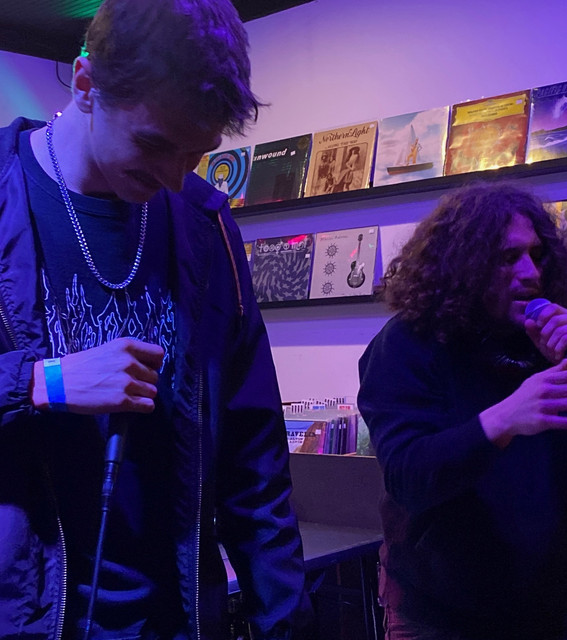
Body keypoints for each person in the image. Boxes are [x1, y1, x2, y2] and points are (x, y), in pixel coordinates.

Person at [0, 1, 310, 638]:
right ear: (85, 83)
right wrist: (42, 382)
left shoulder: (206, 223)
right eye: (154, 144)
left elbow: (254, 464)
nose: (173, 178)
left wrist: (286, 624)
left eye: (196, 153)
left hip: (179, 619)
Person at [358, 182, 567, 640]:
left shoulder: (552, 338)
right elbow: (407, 477)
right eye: (508, 258)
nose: (530, 272)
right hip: (439, 615)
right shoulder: (405, 344)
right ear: (462, 265)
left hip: (547, 605)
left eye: (537, 255)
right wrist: (503, 420)